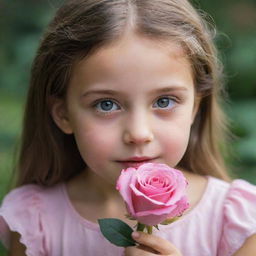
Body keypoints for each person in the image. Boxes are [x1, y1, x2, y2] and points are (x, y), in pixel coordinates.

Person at [0, 0, 256, 255]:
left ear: (194, 107)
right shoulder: (36, 223)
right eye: (106, 104)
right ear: (63, 114)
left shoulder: (235, 221)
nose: (138, 133)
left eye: (164, 101)